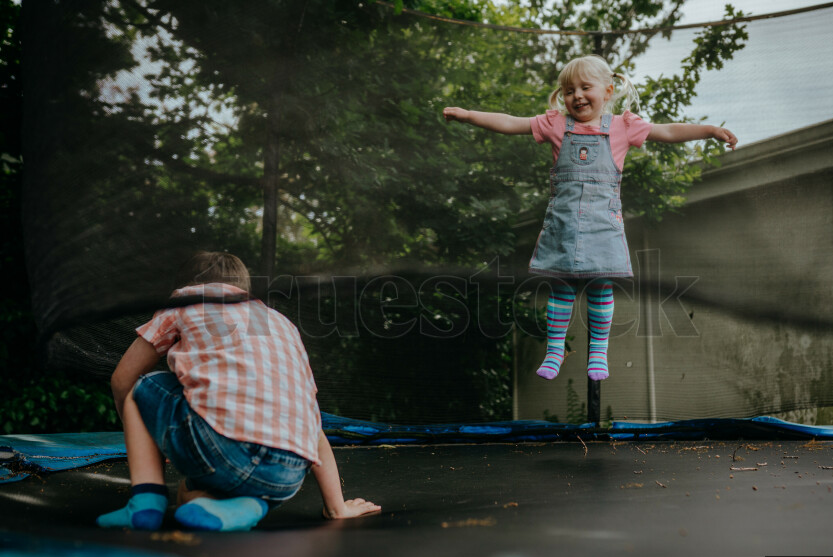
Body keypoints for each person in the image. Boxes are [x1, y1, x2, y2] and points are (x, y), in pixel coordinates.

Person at [444, 55, 737, 381]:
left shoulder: (624, 127)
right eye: (569, 90)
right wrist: (469, 115)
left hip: (602, 226)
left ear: (608, 91)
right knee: (560, 289)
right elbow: (512, 123)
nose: (577, 95)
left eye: (586, 87)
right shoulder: (555, 124)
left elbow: (667, 131)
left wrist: (709, 130)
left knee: (600, 288)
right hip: (564, 224)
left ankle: (598, 350)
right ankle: (555, 349)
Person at [97, 251, 380, 531]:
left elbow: (122, 380)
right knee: (188, 496)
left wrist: (147, 437)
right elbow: (311, 419)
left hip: (222, 452)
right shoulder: (280, 323)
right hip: (286, 476)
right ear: (244, 289)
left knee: (142, 385)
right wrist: (337, 507)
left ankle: (146, 503)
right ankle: (250, 506)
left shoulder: (185, 302)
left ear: (186, 288)